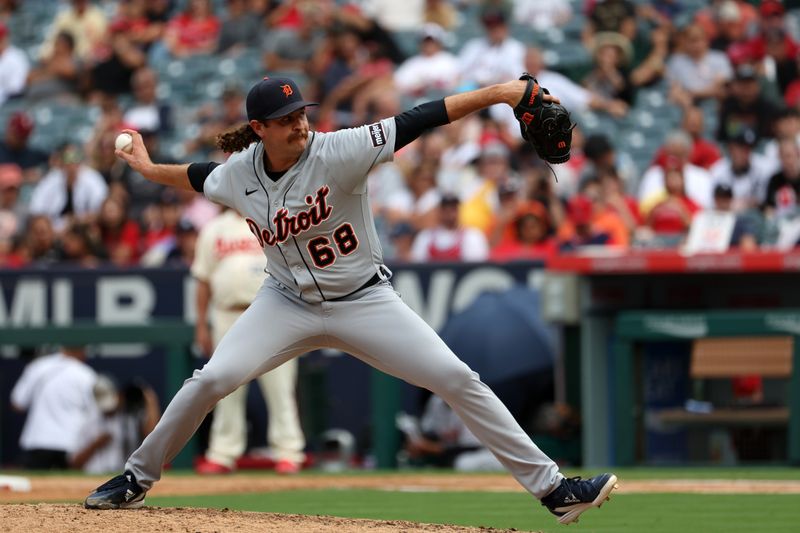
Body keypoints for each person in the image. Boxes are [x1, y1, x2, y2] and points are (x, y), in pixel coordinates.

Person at [84, 75, 617, 525]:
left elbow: (421, 117)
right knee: (211, 380)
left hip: (364, 300)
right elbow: (199, 177)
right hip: (284, 302)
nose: (299, 123)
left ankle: (553, 491)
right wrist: (150, 170)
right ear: (259, 130)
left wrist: (502, 92)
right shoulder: (237, 175)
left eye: (300, 113)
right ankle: (136, 476)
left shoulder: (338, 150)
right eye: (286, 118)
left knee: (457, 379)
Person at [192, 208, 306, 475]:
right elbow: (203, 280)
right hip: (227, 313)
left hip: (273, 312)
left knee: (280, 386)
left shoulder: (274, 218)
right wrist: (200, 324)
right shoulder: (214, 228)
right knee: (225, 386)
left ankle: (289, 451)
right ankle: (222, 453)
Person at [10, 346, 99, 469]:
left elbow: (18, 404)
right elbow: (95, 412)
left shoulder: (37, 367)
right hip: (71, 441)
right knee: (71, 486)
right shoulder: (86, 374)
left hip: (38, 440)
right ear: (81, 351)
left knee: (37, 484)